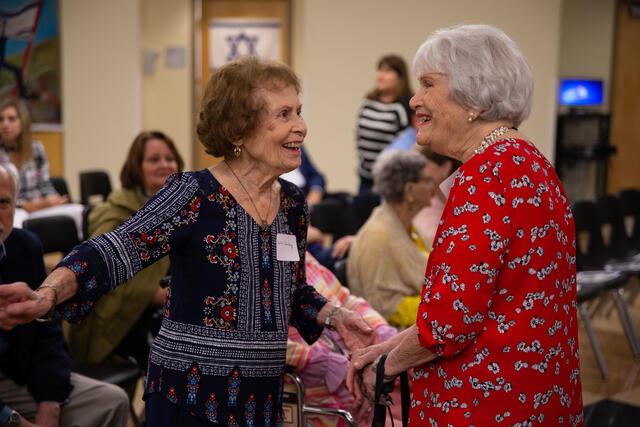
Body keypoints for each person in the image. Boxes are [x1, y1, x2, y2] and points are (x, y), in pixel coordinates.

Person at [0, 57, 374, 427]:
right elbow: (111, 251)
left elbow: (287, 292)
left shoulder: (292, 205)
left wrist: (338, 318)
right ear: (238, 130)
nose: (302, 127)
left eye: (299, 111)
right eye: (284, 114)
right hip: (190, 402)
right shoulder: (194, 194)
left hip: (261, 402)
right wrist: (46, 295)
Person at [347, 24, 583, 426]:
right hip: (536, 392)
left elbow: (447, 324)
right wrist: (386, 347)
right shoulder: (527, 160)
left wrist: (383, 367)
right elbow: (473, 307)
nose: (414, 98)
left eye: (428, 84)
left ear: (473, 96)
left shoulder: (486, 175)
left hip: (489, 403)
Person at [0, 165, 129, 427]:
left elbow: (47, 335)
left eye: (2, 203)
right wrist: (12, 421)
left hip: (17, 375)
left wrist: (50, 403)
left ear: (16, 206)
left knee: (112, 400)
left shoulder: (25, 247)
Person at [65, 131, 184, 369]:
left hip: (165, 309)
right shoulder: (118, 213)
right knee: (180, 353)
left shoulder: (178, 209)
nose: (164, 165)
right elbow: (99, 271)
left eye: (169, 158)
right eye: (154, 159)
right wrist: (153, 295)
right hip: (122, 320)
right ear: (136, 167)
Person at [286, 252, 400, 426]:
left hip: (357, 378)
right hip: (308, 399)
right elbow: (253, 338)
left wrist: (378, 330)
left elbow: (346, 300)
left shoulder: (301, 256)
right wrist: (320, 362)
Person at [348, 149, 434, 328]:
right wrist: (440, 308)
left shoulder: (407, 228)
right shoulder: (379, 235)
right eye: (427, 180)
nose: (433, 186)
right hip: (392, 336)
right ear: (410, 189)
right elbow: (384, 305)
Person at [0, 98, 84, 236]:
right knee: (16, 226)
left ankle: (76, 257)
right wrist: (25, 205)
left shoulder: (36, 148)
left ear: (23, 122)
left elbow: (45, 185)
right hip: (15, 209)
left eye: (11, 119)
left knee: (79, 211)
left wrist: (53, 200)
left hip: (39, 207)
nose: (5, 124)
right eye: (1, 119)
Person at [355, 54, 412, 194]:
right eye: (380, 70)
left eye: (387, 71)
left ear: (400, 77)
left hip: (390, 180)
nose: (380, 76)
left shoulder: (403, 106)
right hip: (365, 178)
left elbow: (406, 144)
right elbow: (359, 136)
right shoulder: (367, 103)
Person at [411, 147, 460, 250]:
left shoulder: (459, 195)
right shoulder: (432, 196)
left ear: (445, 167)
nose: (421, 172)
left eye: (425, 165)